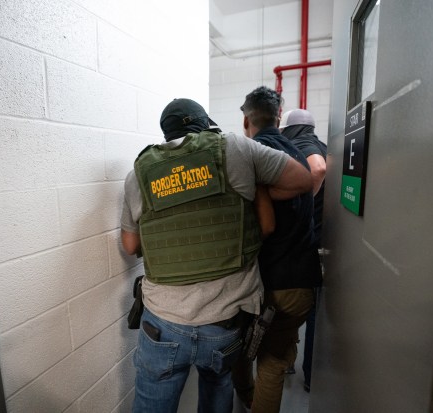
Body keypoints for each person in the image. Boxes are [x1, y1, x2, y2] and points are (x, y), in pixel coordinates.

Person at [120, 98, 313, 413]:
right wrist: (254, 189)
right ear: (204, 123)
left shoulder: (138, 174)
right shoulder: (235, 148)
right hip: (224, 323)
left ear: (165, 134)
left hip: (162, 322)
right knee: (217, 390)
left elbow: (130, 246)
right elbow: (303, 180)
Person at [231, 86, 321, 412]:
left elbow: (260, 224)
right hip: (301, 285)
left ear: (246, 120)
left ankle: (247, 398)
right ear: (279, 117)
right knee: (274, 359)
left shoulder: (252, 154)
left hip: (269, 287)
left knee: (252, 356)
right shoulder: (294, 153)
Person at [280, 108, 327, 393]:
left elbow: (318, 168)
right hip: (319, 238)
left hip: (302, 239)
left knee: (289, 305)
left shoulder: (302, 145)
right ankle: (308, 373)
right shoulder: (322, 144)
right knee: (308, 308)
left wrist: (304, 201)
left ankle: (290, 362)